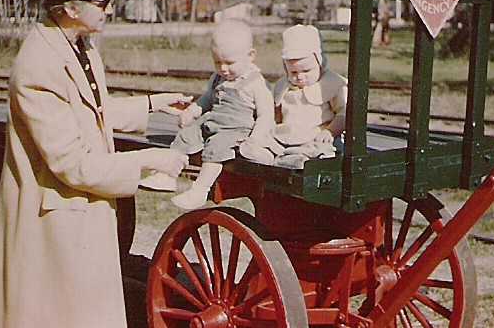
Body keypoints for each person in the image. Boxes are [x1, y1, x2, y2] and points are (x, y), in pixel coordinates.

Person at [0, 0, 190, 328]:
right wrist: (149, 160)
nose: (110, 10)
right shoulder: (38, 66)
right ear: (70, 7)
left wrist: (152, 103)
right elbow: (72, 165)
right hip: (54, 221)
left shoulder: (79, 44)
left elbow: (87, 112)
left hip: (80, 213)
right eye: (104, 3)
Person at [141, 19, 274, 210]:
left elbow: (265, 115)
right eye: (217, 62)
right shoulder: (218, 77)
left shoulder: (255, 83)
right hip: (212, 121)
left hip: (235, 129)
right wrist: (193, 110)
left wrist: (255, 139)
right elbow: (207, 98)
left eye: (229, 62)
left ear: (251, 56)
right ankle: (167, 175)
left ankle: (200, 189)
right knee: (186, 135)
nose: (223, 68)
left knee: (216, 148)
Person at [240, 24, 347, 169]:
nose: (300, 77)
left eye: (306, 71)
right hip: (285, 135)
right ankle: (267, 155)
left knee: (319, 150)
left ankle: (298, 160)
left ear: (320, 63)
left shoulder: (331, 84)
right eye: (293, 72)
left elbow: (344, 113)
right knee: (267, 141)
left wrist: (330, 131)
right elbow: (276, 113)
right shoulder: (284, 85)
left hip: (315, 136)